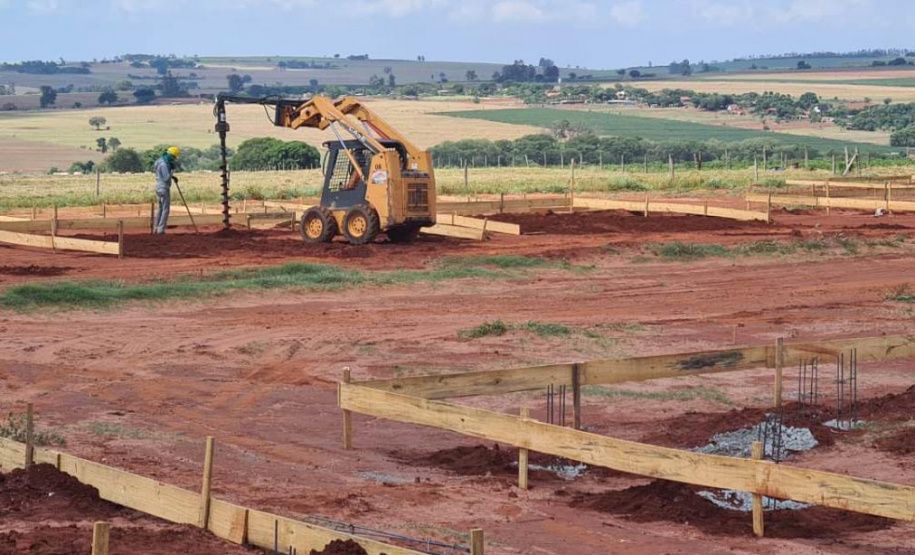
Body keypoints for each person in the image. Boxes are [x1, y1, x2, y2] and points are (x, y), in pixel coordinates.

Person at [153, 146, 180, 234]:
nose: (174, 159)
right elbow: (166, 178)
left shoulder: (159, 161)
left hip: (158, 187)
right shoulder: (164, 164)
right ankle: (161, 229)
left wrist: (173, 176)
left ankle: (156, 228)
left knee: (160, 208)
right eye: (174, 157)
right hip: (164, 188)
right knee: (165, 209)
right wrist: (172, 171)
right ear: (171, 155)